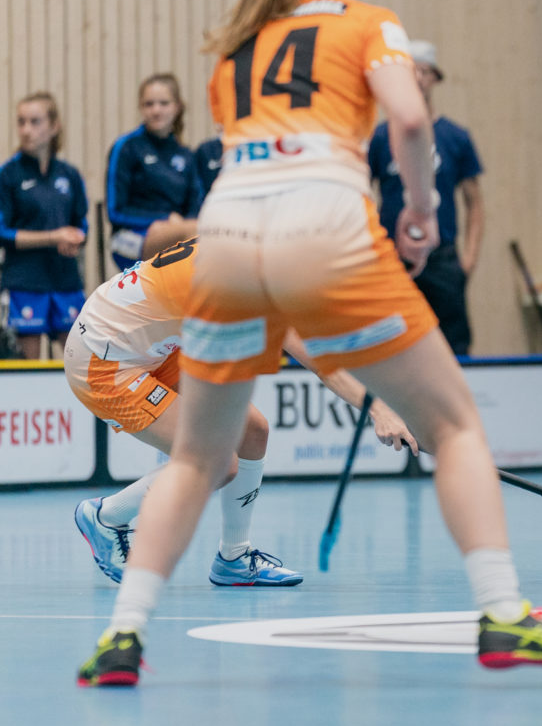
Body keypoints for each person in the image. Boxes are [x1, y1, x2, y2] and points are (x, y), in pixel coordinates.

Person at [77, 0, 542, 687]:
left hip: (226, 230)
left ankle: (121, 638)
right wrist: (421, 213)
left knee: (197, 456)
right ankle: (503, 614)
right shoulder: (367, 23)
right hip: (320, 220)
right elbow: (412, 121)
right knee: (454, 423)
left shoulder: (238, 43)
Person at [67, 236, 420, 586]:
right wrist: (377, 409)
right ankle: (106, 517)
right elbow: (320, 359)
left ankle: (234, 557)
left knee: (253, 432)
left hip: (154, 345)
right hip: (101, 362)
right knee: (216, 463)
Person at [368, 40, 484, 355]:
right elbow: (362, 190)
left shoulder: (455, 138)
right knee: (391, 342)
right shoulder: (381, 137)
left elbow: (474, 202)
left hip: (443, 256)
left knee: (453, 343)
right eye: (411, 71)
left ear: (435, 77)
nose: (417, 78)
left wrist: (469, 258)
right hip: (394, 258)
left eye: (423, 71)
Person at [0, 92, 89, 359]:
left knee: (78, 358)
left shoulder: (69, 174)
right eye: (21, 122)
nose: (27, 130)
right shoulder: (8, 174)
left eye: (35, 121)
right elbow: (3, 232)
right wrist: (52, 236)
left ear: (53, 126)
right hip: (25, 280)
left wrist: (75, 238)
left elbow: (81, 223)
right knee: (29, 363)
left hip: (65, 278)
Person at [104, 74, 203, 272]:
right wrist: (164, 219)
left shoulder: (185, 155)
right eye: (149, 104)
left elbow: (196, 207)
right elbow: (115, 211)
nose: (156, 111)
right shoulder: (127, 147)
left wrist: (176, 225)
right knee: (192, 231)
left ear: (177, 107)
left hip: (179, 231)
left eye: (163, 103)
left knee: (206, 231)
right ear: (141, 108)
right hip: (130, 236)